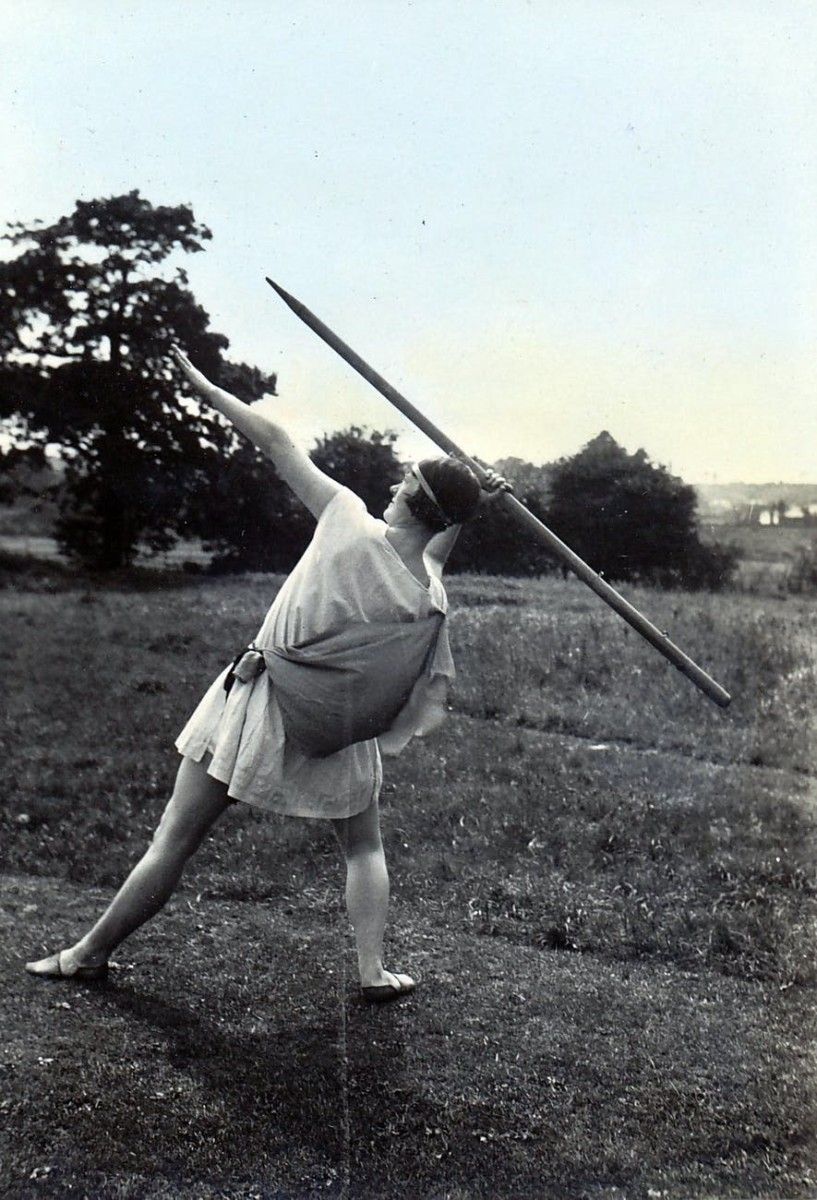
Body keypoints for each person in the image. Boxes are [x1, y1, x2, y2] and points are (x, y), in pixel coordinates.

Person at [26, 346, 508, 1002]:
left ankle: (87, 954)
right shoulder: (428, 591)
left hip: (260, 705)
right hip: (337, 725)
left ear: (404, 493)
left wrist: (200, 384)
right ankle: (371, 970)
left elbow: (276, 440)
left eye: (403, 480)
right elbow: (435, 548)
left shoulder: (344, 518)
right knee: (363, 846)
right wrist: (481, 501)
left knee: (176, 837)